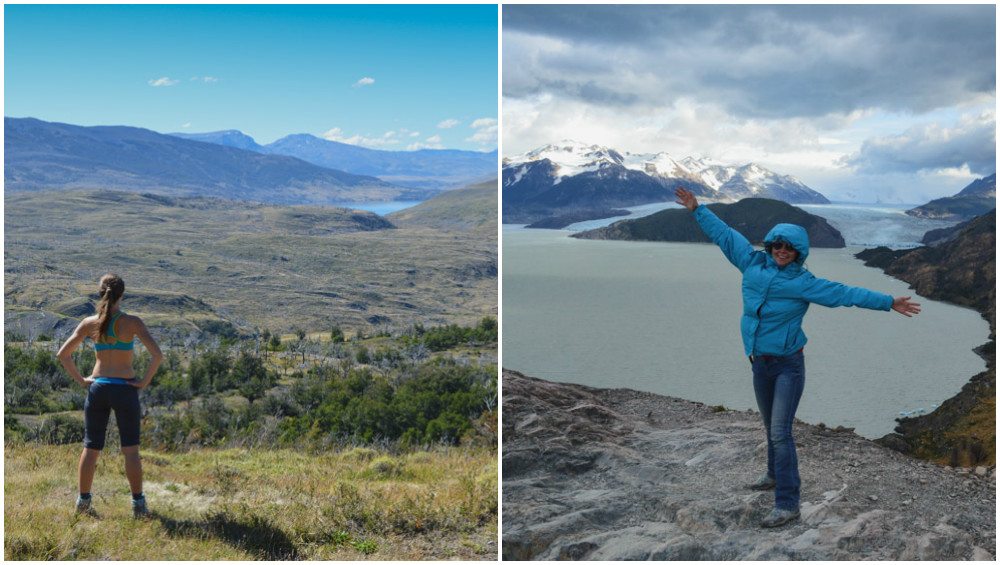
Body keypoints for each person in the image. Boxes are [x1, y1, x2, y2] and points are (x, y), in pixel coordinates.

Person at [673, 187, 921, 528]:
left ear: (798, 252)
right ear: (770, 244)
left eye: (789, 247)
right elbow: (725, 236)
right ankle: (774, 475)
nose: (782, 251)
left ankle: (788, 503)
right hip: (759, 361)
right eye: (777, 244)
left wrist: (888, 301)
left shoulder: (803, 282)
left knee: (780, 432)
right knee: (770, 426)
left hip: (788, 364)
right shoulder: (751, 263)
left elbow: (843, 293)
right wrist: (697, 209)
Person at [57, 273, 162, 518]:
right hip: (125, 389)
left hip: (99, 387)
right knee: (131, 451)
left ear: (100, 293)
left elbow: (63, 354)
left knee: (91, 448)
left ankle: (83, 502)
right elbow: (157, 355)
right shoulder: (133, 323)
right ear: (122, 295)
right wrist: (143, 382)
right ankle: (138, 505)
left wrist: (82, 380)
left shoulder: (89, 323)